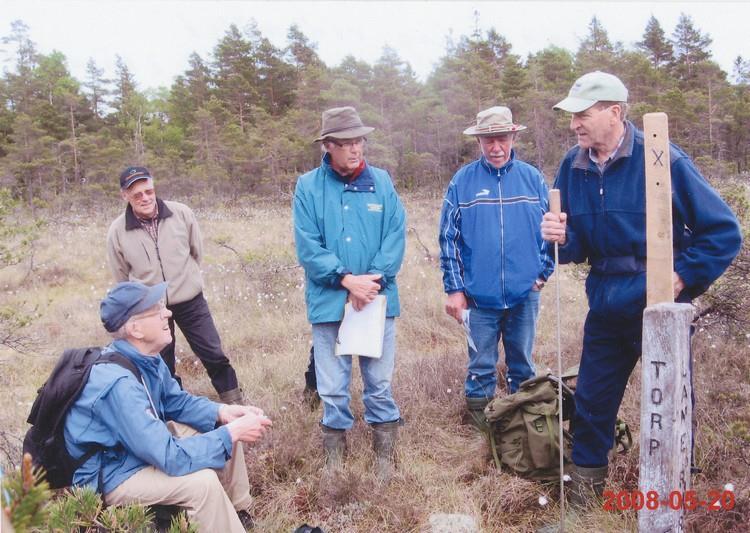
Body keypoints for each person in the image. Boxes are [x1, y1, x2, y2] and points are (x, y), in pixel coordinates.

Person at [541, 71, 742, 505]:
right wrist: (560, 235)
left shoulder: (663, 158)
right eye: (571, 115)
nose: (575, 123)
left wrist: (681, 277)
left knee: (669, 405)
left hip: (660, 306)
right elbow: (574, 248)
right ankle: (585, 506)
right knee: (591, 404)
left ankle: (675, 499)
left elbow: (723, 233)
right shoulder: (572, 165)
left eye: (583, 114)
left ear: (614, 112)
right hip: (606, 302)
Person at [64, 281, 272, 532]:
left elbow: (177, 401)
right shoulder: (118, 385)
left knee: (224, 426)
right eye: (156, 309)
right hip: (111, 475)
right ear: (135, 329)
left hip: (136, 451)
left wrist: (222, 412)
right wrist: (231, 433)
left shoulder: (146, 357)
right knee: (201, 483)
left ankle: (237, 513)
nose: (168, 313)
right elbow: (169, 457)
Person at [292, 106, 406, 479]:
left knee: (379, 381)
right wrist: (345, 279)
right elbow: (308, 246)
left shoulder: (382, 182)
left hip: (376, 299)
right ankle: (335, 457)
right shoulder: (308, 187)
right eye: (346, 143)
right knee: (332, 385)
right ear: (328, 146)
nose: (356, 149)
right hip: (329, 302)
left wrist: (370, 281)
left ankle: (384, 456)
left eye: (359, 141)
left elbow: (394, 235)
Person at [438, 106, 554, 428]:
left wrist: (543, 273)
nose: (496, 147)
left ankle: (522, 431)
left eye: (501, 138)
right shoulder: (463, 181)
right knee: (480, 366)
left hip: (524, 296)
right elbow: (448, 237)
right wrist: (455, 289)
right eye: (488, 140)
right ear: (479, 141)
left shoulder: (533, 179)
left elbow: (553, 231)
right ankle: (481, 433)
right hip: (479, 298)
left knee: (523, 366)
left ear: (513, 136)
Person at [107, 166, 244, 404]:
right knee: (161, 365)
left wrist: (184, 282)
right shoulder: (117, 231)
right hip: (150, 309)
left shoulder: (181, 213)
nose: (145, 198)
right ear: (125, 196)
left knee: (214, 353)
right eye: (137, 194)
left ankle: (234, 402)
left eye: (148, 191)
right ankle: (172, 409)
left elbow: (196, 252)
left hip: (191, 301)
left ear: (154, 187)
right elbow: (121, 277)